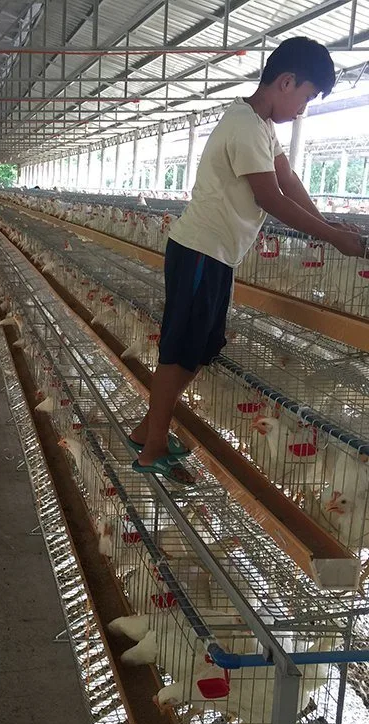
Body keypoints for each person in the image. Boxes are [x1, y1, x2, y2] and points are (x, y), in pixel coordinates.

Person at [129, 36, 365, 485]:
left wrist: (332, 226)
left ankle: (148, 429)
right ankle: (152, 447)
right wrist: (333, 238)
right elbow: (270, 198)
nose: (303, 109)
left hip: (216, 255)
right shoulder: (242, 123)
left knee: (202, 347)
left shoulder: (261, 126)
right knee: (180, 351)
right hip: (201, 250)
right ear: (286, 81)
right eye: (307, 97)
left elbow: (288, 180)